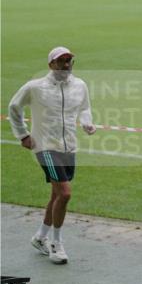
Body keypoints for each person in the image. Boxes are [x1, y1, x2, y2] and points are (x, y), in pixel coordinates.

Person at [8, 47, 96, 265]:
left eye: (69, 60)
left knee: (56, 195)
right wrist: (23, 135)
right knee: (65, 194)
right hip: (45, 147)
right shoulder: (35, 87)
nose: (66, 64)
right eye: (61, 61)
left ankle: (40, 237)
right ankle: (56, 243)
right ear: (51, 65)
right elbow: (14, 107)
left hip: (68, 147)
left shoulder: (79, 85)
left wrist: (87, 122)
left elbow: (85, 107)